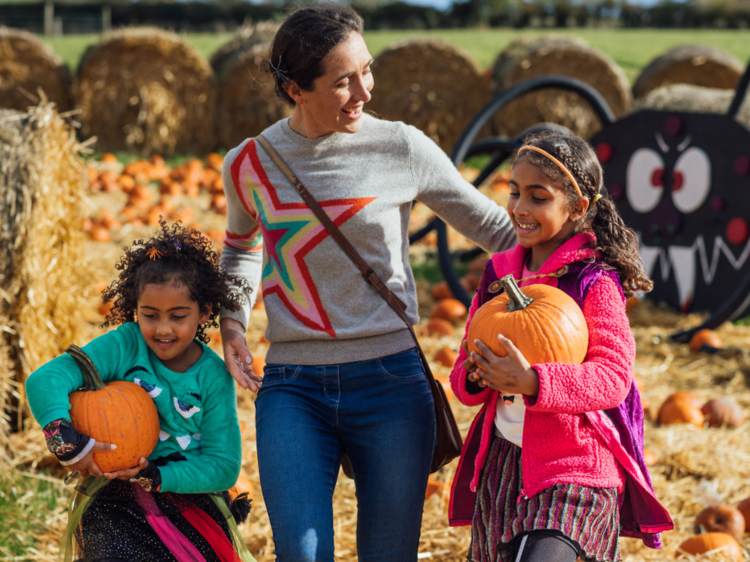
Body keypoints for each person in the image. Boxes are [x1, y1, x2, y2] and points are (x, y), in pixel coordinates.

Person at [217, 4, 516, 561]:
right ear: (294, 88)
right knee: (301, 555)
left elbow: (497, 229)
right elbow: (241, 246)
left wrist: (584, 254)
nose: (365, 91)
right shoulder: (248, 164)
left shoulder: (402, 146)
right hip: (292, 386)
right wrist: (231, 322)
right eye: (343, 81)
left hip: (391, 384)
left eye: (367, 70)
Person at [448, 131, 674, 562]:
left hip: (575, 466)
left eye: (538, 197)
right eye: (515, 193)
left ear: (577, 208)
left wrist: (533, 381)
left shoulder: (593, 281)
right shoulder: (498, 276)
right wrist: (478, 374)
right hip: (502, 466)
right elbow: (462, 378)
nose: (519, 208)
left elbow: (613, 379)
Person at [25, 222, 256, 562]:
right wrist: (66, 441)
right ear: (136, 309)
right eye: (150, 315)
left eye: (178, 316)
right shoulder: (125, 344)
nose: (163, 328)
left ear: (205, 312)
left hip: (188, 502)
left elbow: (223, 466)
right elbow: (45, 379)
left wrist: (158, 475)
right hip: (115, 501)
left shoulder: (212, 376)